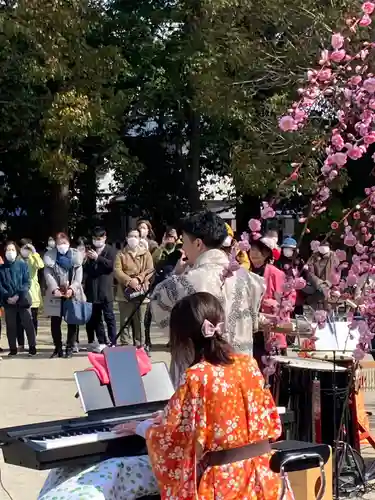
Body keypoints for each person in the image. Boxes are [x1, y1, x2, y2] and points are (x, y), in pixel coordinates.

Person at [38, 292, 284, 500]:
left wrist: (142, 427)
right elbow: (265, 418)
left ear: (184, 338)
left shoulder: (197, 376)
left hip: (227, 483)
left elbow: (175, 441)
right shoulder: (247, 363)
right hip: (266, 474)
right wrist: (171, 417)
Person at [151, 211, 265, 387]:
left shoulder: (182, 282)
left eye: (184, 241)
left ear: (197, 243)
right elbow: (254, 324)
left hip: (199, 381)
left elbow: (159, 308)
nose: (183, 248)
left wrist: (175, 273)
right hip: (239, 377)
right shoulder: (251, 281)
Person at [248, 236, 295, 368]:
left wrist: (274, 304)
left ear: (267, 253)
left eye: (258, 251)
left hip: (272, 329)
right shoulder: (247, 272)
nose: (254, 254)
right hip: (253, 329)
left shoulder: (276, 273)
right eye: (251, 250)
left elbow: (288, 299)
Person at [44, 233, 86, 358]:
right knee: (55, 322)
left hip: (71, 293)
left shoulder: (76, 256)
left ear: (68, 243)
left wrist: (72, 289)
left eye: (64, 243)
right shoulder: (50, 257)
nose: (62, 246)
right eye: (59, 243)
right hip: (55, 294)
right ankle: (57, 347)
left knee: (72, 321)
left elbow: (79, 277)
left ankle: (70, 347)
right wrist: (55, 288)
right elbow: (48, 274)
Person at [114, 229, 154, 347]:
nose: (133, 238)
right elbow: (117, 270)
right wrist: (129, 281)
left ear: (140, 238)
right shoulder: (120, 254)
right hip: (125, 293)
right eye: (131, 236)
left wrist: (139, 279)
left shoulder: (146, 253)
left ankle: (140, 345)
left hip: (141, 291)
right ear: (126, 238)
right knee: (124, 321)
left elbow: (150, 269)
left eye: (136, 236)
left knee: (140, 322)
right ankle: (124, 345)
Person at [0, 241, 37, 356]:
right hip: (8, 301)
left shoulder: (22, 264)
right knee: (10, 326)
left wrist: (18, 295)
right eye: (8, 250)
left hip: (22, 299)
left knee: (28, 323)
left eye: (12, 250)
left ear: (16, 251)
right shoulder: (1, 268)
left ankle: (32, 346)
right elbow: (0, 285)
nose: (10, 252)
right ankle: (13, 348)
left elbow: (27, 282)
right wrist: (7, 297)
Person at [84, 227, 117, 352]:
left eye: (99, 239)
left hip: (105, 290)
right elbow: (88, 270)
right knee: (96, 318)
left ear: (104, 237)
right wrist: (87, 259)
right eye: (95, 239)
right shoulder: (90, 251)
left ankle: (113, 341)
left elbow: (110, 266)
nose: (97, 241)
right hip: (92, 290)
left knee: (109, 317)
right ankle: (102, 341)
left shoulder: (111, 250)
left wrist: (98, 258)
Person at [16, 238, 44, 345]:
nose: (26, 250)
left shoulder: (33, 258)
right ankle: (21, 343)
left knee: (33, 319)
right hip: (20, 293)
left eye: (28, 247)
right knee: (20, 320)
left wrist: (34, 252)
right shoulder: (17, 259)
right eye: (24, 247)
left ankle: (32, 341)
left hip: (33, 292)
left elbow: (41, 265)